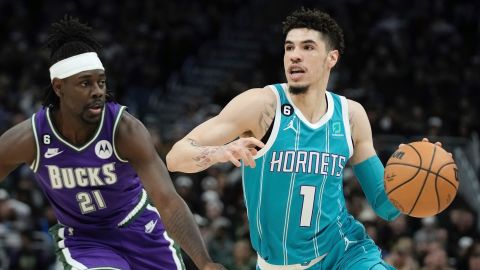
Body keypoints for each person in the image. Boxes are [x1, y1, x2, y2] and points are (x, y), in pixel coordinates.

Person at [167, 7, 402, 269]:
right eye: (289, 48)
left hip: (345, 253)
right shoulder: (261, 106)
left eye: (308, 47)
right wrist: (218, 153)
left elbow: (385, 206)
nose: (295, 56)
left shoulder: (351, 116)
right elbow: (175, 157)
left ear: (331, 58)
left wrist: (412, 185)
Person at [0, 16, 224, 270]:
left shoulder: (125, 129)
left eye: (101, 82)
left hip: (140, 228)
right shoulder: (31, 137)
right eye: (85, 83)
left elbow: (167, 199)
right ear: (59, 87)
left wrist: (205, 263)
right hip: (85, 240)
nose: (98, 91)